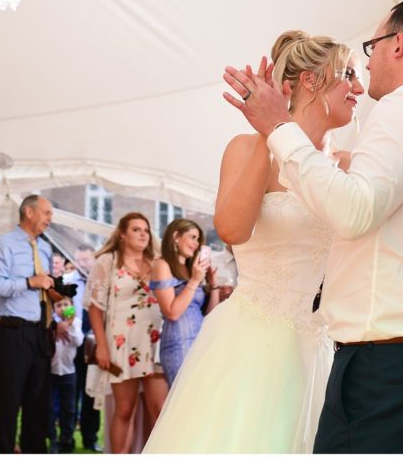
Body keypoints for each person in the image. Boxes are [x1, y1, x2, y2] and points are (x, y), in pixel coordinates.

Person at [224, 0, 403, 453]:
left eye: (372, 47)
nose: (364, 75)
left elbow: (353, 211)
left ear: (399, 44)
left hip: (395, 364)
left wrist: (279, 128)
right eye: (349, 71)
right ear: (308, 80)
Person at [145, 30, 359, 453]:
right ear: (312, 81)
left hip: (327, 344)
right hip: (252, 340)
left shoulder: (350, 165)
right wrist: (269, 131)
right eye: (348, 74)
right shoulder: (246, 147)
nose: (360, 87)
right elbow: (232, 229)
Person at [0, 195, 60, 454]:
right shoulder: (3, 245)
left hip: (41, 332)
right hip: (13, 333)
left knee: (38, 404)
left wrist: (55, 292)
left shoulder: (45, 248)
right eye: (46, 213)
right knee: (8, 403)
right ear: (29, 212)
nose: (50, 219)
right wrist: (29, 282)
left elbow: (45, 285)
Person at [87, 212, 166, 453]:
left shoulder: (158, 262)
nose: (143, 233)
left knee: (160, 410)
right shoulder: (108, 262)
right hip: (122, 344)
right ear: (122, 234)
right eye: (136, 229)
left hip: (155, 345)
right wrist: (101, 345)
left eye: (146, 229)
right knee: (124, 409)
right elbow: (95, 308)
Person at [149, 218, 220, 385]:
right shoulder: (162, 264)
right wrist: (194, 281)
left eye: (198, 240)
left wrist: (213, 284)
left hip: (200, 343)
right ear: (176, 236)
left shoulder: (191, 270)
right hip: (178, 345)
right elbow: (172, 313)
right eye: (192, 237)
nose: (196, 244)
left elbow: (211, 314)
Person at [71, 245, 101, 452]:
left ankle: (90, 438)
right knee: (70, 392)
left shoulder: (100, 282)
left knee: (92, 391)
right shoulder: (68, 281)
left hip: (95, 341)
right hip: (72, 342)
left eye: (86, 260)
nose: (82, 264)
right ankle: (66, 438)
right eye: (79, 260)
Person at [49, 296, 84, 453]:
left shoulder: (76, 322)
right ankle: (52, 439)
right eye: (59, 305)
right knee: (50, 407)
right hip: (51, 372)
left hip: (69, 372)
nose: (62, 308)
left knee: (69, 408)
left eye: (66, 305)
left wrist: (69, 325)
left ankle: (67, 439)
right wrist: (57, 328)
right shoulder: (50, 323)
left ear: (72, 306)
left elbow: (78, 341)